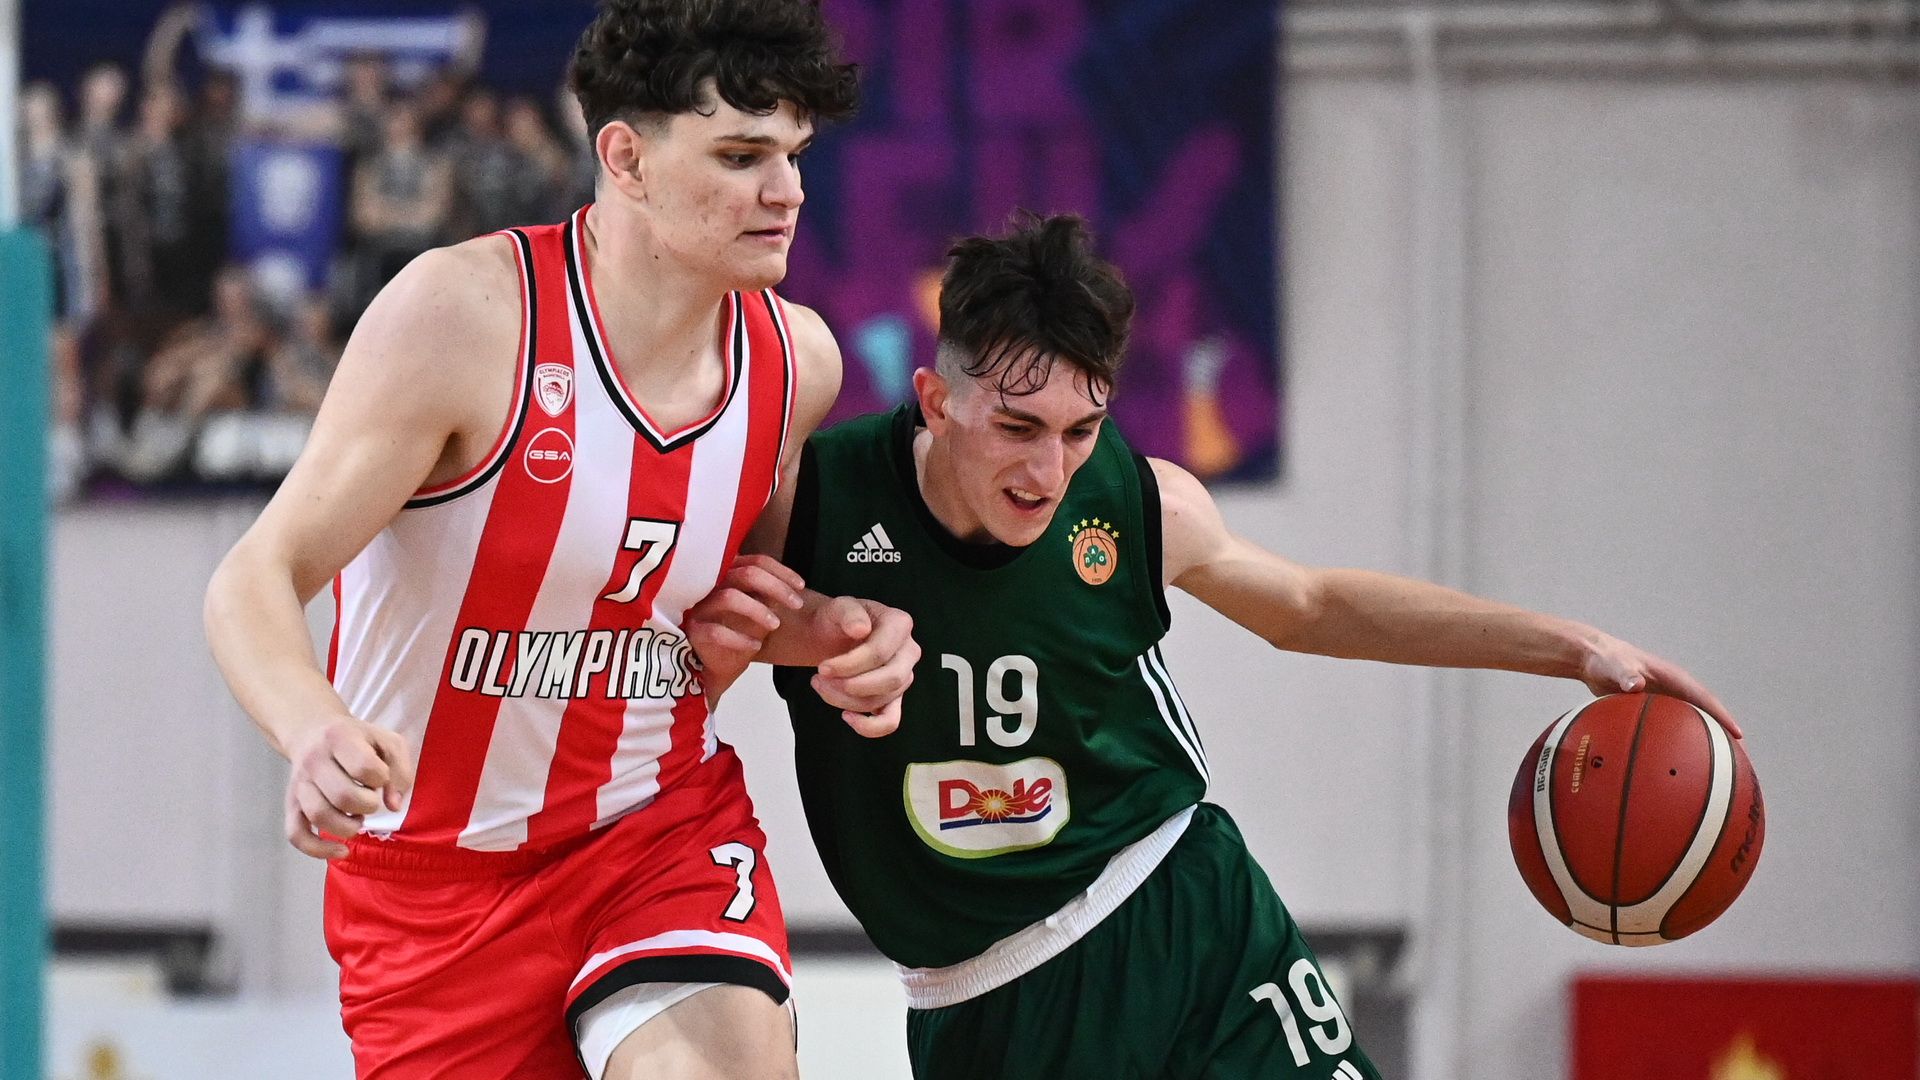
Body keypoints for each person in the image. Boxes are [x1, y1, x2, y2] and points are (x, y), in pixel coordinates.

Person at [688, 213, 1741, 1079]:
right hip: (989, 1000)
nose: (1048, 471)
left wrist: (1574, 649)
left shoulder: (1137, 505)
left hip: (1180, 911)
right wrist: (812, 638)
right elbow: (680, 636)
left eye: (1080, 429)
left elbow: (1312, 606)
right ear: (937, 400)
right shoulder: (812, 500)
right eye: (1018, 429)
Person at [203, 3, 916, 1078]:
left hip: (653, 829)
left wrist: (838, 633)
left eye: (795, 155)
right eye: (741, 157)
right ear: (625, 158)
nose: (787, 192)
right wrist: (311, 729)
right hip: (434, 889)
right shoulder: (464, 318)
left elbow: (727, 610)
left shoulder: (794, 364)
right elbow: (255, 574)